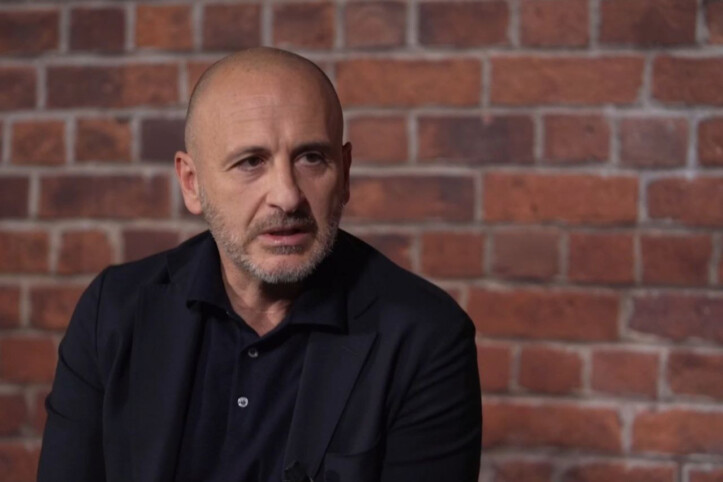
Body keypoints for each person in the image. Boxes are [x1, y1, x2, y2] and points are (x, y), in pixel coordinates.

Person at [38, 47, 481, 482]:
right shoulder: (114, 312)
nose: (287, 196)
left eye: (311, 158)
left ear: (345, 173)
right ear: (192, 183)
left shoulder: (425, 335)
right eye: (251, 162)